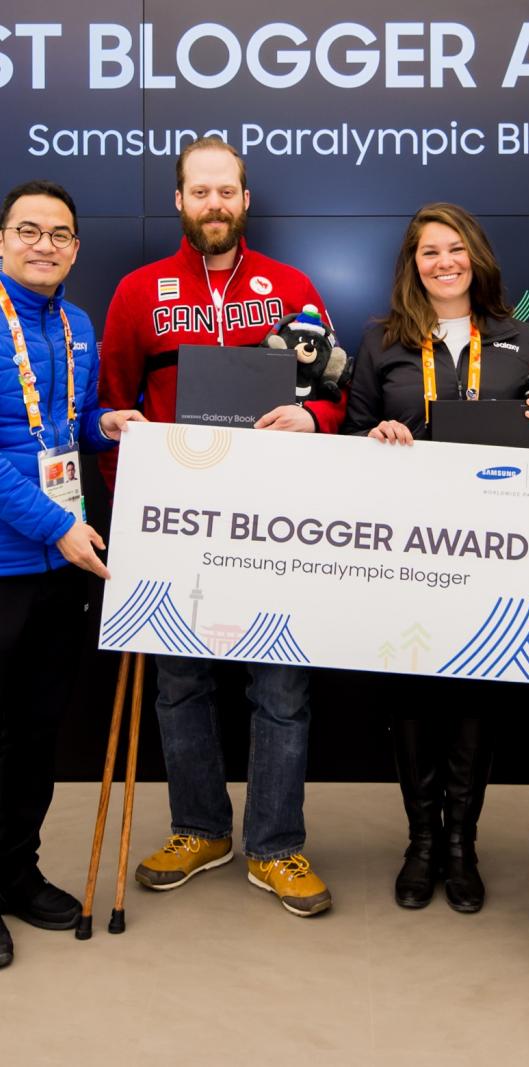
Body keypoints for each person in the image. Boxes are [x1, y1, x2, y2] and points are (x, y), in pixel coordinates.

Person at [98, 137, 345, 917]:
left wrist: (314, 415)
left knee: (281, 684)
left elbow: (335, 394)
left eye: (226, 191)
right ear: (179, 201)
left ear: (245, 199)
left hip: (277, 522)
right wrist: (121, 462)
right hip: (173, 522)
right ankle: (200, 827)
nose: (213, 203)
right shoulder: (140, 291)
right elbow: (107, 406)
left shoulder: (290, 286)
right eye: (198, 191)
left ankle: (275, 845)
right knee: (180, 682)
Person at [343, 202, 529, 912]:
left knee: (476, 689)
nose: (443, 262)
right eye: (428, 252)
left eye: (455, 249)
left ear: (475, 256)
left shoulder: (517, 336)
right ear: (411, 264)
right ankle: (419, 843)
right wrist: (375, 435)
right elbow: (348, 442)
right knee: (412, 690)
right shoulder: (381, 339)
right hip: (406, 545)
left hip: (493, 547)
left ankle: (459, 846)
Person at [0, 180, 143, 968]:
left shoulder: (77, 323)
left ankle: (15, 872)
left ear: (76, 248)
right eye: (28, 230)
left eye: (59, 234)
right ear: (3, 239)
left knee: (37, 731)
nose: (44, 244)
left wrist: (105, 423)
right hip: (15, 557)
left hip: (64, 565)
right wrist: (59, 525)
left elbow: (62, 426)